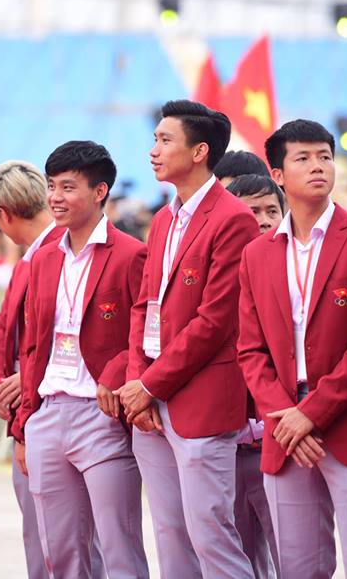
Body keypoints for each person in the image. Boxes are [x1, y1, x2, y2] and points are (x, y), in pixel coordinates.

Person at [237, 119, 347, 578]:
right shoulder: (257, 253)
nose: (318, 166)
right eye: (304, 158)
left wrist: (312, 413)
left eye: (325, 157)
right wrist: (285, 415)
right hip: (285, 430)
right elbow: (250, 349)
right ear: (277, 174)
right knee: (299, 567)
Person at [119, 99, 259, 578]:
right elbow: (144, 307)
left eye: (165, 140)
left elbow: (215, 321)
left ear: (200, 152)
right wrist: (138, 380)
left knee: (211, 535)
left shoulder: (233, 219)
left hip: (200, 399)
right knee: (170, 536)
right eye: (155, 139)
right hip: (150, 400)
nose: (153, 150)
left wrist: (149, 384)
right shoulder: (164, 219)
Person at [10, 142, 150, 578]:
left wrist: (115, 373)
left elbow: (146, 333)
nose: (55, 197)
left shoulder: (131, 254)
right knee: (60, 552)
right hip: (49, 414)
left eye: (68, 187)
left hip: (101, 415)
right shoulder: (43, 259)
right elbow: (34, 348)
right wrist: (24, 423)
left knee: (119, 546)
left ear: (99, 191)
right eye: (51, 186)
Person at [0, 160, 69, 578]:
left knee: (61, 540)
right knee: (47, 537)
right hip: (27, 408)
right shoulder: (29, 261)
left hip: (49, 410)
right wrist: (0, 386)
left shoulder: (61, 255)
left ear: (2, 215)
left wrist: (21, 384)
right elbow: (5, 333)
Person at [225, 171, 284, 578]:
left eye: (271, 211)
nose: (263, 221)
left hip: (279, 442)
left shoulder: (296, 279)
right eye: (252, 212)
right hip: (225, 447)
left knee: (296, 558)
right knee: (238, 558)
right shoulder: (212, 281)